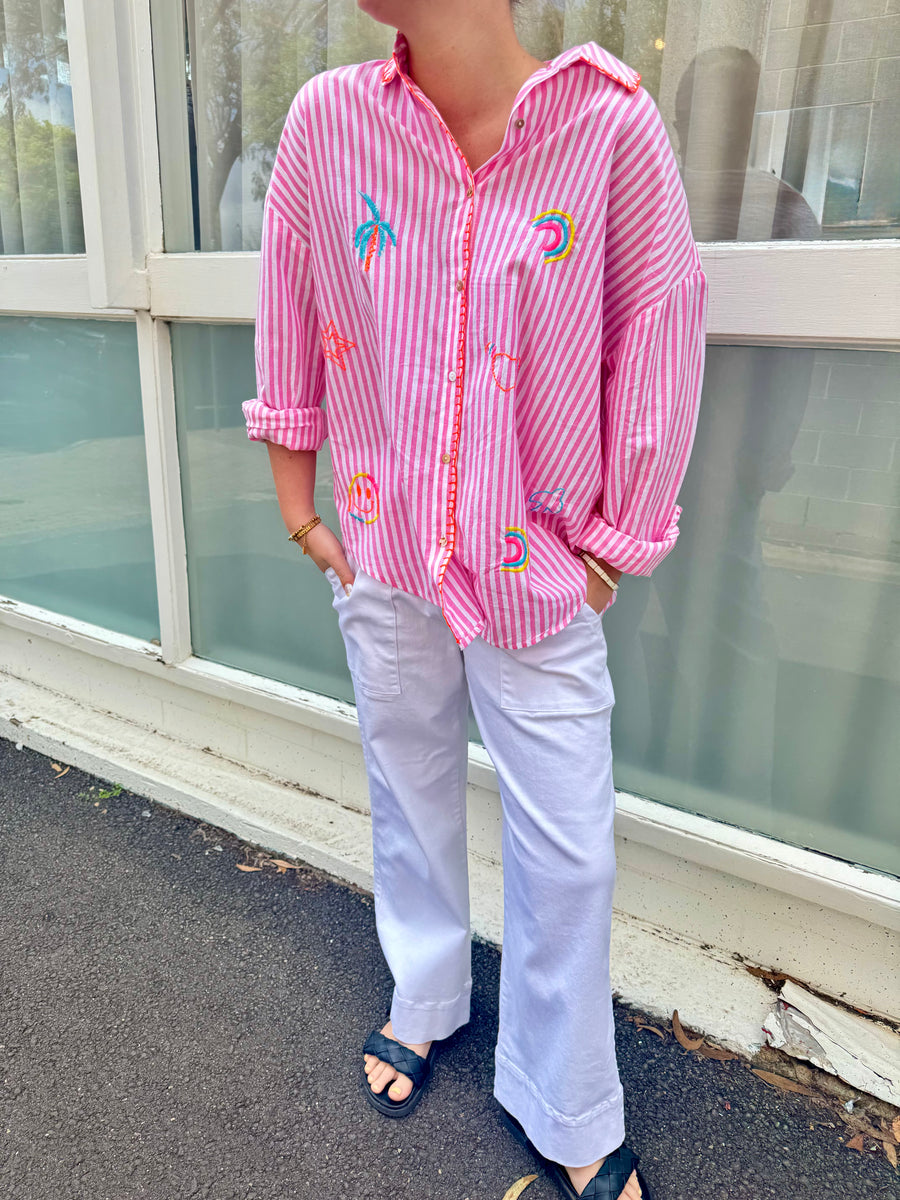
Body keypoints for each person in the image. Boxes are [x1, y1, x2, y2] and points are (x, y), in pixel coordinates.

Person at [242, 3, 708, 1197]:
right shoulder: (329, 123)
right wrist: (304, 514)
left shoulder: (609, 129)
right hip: (386, 546)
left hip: (538, 565)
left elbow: (657, 337)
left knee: (569, 848)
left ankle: (566, 1095)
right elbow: (290, 301)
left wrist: (610, 547)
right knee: (406, 788)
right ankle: (428, 985)